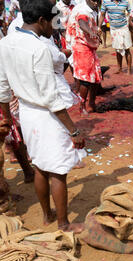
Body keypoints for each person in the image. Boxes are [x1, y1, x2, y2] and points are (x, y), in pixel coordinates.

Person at [0, 0, 86, 233]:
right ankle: (64, 223)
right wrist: (74, 130)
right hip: (47, 115)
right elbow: (51, 98)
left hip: (27, 114)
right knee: (58, 170)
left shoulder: (5, 42)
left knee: (39, 166)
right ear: (41, 21)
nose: (54, 26)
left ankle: (48, 216)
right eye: (53, 21)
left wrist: (7, 118)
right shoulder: (39, 49)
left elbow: (3, 87)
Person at [68, 0, 102, 115]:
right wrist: (90, 32)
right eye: (93, 0)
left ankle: (91, 103)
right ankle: (82, 106)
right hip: (81, 46)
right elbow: (82, 22)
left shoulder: (92, 9)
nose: (96, 3)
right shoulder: (83, 10)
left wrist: (95, 34)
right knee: (86, 79)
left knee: (96, 77)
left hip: (89, 45)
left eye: (98, 0)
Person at [98, 0, 133, 74]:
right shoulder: (105, 2)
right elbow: (102, 15)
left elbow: (131, 13)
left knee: (127, 49)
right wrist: (99, 27)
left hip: (124, 27)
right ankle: (119, 68)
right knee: (117, 49)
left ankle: (129, 69)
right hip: (113, 29)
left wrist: (130, 22)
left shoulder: (125, 2)